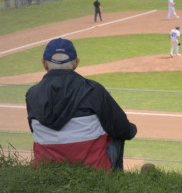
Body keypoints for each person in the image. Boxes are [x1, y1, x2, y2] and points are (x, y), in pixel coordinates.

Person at [25, 38, 137, 171]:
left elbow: (34, 130)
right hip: (92, 169)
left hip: (46, 169)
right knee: (117, 132)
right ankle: (114, 184)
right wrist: (131, 129)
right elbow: (123, 129)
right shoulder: (93, 90)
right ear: (76, 63)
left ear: (44, 63)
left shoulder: (32, 95)